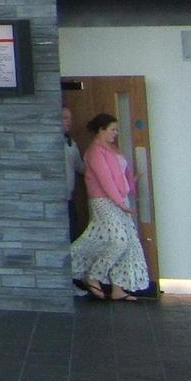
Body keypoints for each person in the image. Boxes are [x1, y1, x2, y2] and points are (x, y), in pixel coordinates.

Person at [70, 113, 150, 300]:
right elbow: (105, 180)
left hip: (119, 200)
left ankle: (117, 289)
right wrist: (121, 203)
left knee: (128, 241)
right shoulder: (95, 152)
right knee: (118, 241)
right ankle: (93, 275)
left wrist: (130, 186)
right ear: (101, 130)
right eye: (112, 129)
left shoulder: (113, 149)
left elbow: (122, 174)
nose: (115, 133)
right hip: (104, 201)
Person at [63, 106, 87, 242]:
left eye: (70, 118)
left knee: (73, 237)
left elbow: (80, 167)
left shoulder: (71, 143)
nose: (69, 121)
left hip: (69, 200)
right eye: (65, 118)